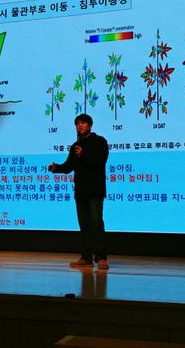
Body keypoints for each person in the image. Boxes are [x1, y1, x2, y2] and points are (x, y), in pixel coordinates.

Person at [48, 113, 110, 269]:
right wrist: (57, 168)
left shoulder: (100, 142)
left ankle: (101, 257)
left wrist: (83, 154)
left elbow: (99, 162)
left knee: (96, 222)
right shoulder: (75, 146)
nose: (79, 126)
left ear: (90, 125)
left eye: (83, 123)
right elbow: (69, 166)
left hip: (95, 190)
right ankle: (86, 257)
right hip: (80, 191)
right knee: (84, 224)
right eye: (77, 124)